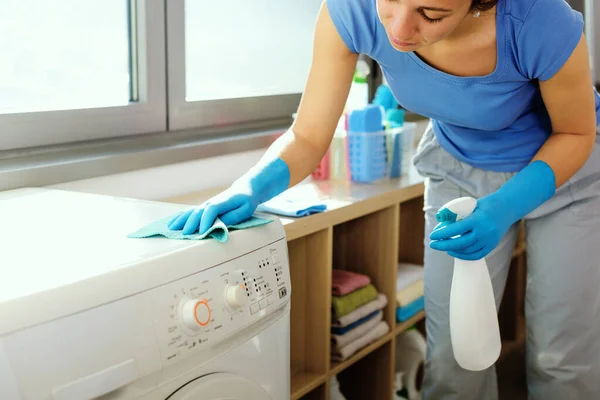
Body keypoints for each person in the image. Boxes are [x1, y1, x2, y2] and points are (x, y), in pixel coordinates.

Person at [168, 0, 600, 398]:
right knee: (454, 354)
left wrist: (505, 207)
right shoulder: (350, 10)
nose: (398, 31)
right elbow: (308, 134)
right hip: (459, 168)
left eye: (431, 15)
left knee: (560, 357)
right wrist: (250, 186)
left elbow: (575, 133)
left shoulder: (540, 20)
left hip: (564, 173)